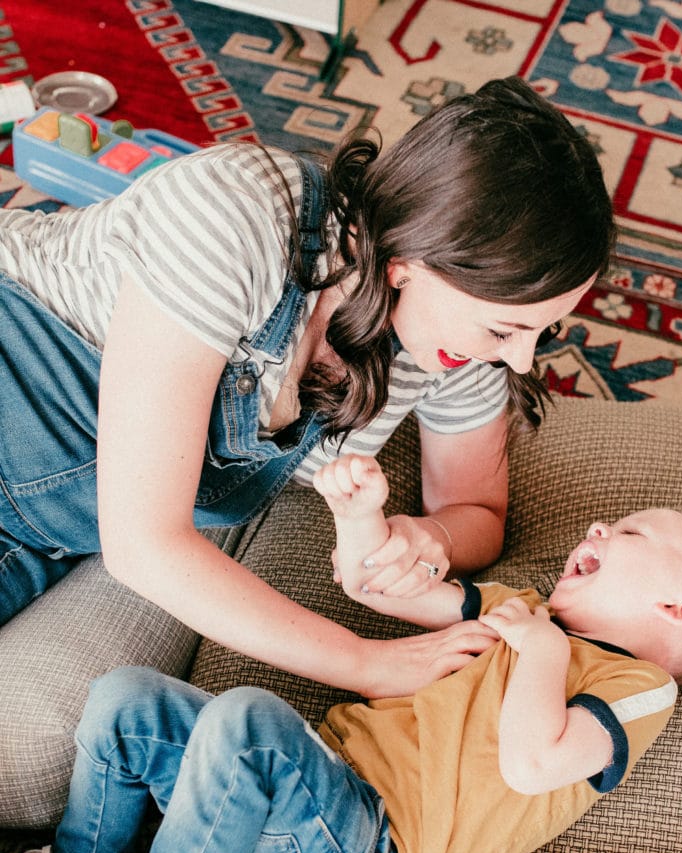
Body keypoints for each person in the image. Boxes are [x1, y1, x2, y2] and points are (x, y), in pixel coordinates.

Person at [0, 454, 682, 853]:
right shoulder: (521, 609)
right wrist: (360, 512)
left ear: (680, 607)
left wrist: (542, 652)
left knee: (248, 725)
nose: (598, 526)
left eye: (629, 532)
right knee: (126, 698)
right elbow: (373, 585)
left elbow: (535, 765)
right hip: (301, 805)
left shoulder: (638, 689)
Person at [0, 76, 614, 696]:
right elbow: (142, 543)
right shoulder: (232, 213)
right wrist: (365, 663)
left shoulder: (455, 347)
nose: (521, 361)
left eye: (544, 328)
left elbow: (479, 513)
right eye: (506, 328)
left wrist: (429, 538)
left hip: (34, 532)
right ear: (410, 263)